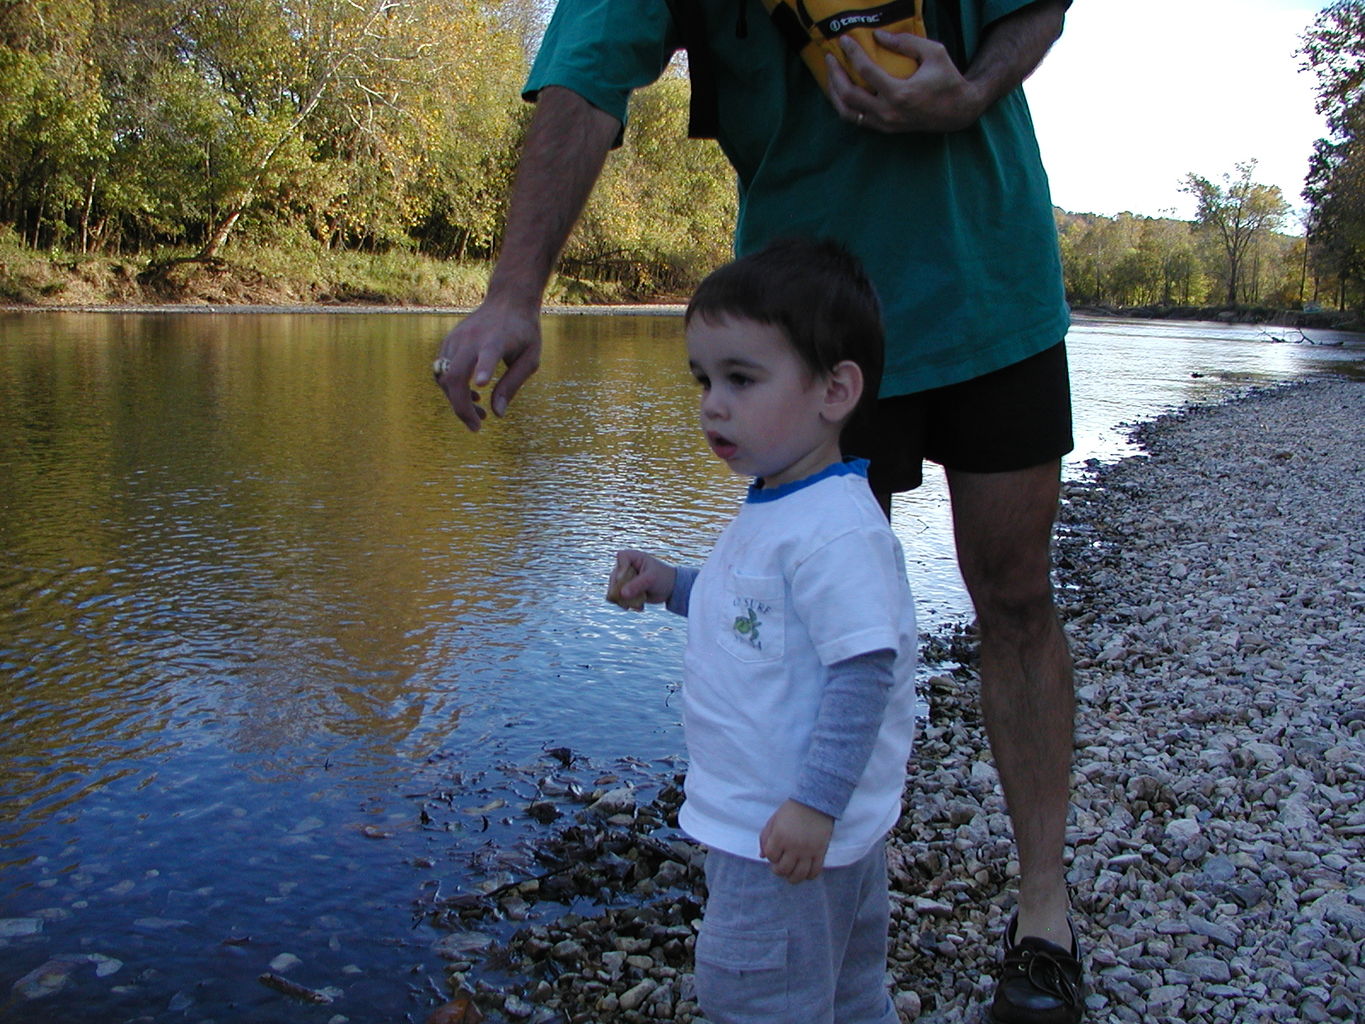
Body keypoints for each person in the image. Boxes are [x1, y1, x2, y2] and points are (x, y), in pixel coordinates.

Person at [433, 3, 1085, 1021]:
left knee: (1011, 593)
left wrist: (976, 86)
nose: (703, 405)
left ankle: (1042, 910)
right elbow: (588, 74)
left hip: (984, 273)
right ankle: (834, 855)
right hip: (797, 320)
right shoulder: (763, 384)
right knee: (800, 586)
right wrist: (516, 288)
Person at [606, 238, 918, 1024]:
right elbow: (761, 616)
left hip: (776, 833)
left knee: (756, 996)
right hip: (802, 827)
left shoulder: (833, 530)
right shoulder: (783, 503)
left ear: (834, 390)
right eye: (704, 379)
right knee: (843, 993)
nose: (713, 403)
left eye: (741, 379)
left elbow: (863, 670)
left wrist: (813, 805)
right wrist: (673, 585)